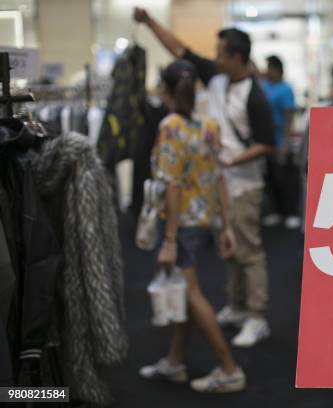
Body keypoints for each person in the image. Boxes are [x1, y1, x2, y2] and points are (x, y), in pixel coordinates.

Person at [134, 8, 275, 348]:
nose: (214, 58)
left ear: (236, 56)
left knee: (249, 250)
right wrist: (151, 23)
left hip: (244, 183)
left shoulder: (255, 96)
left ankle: (258, 316)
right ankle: (238, 306)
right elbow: (180, 50)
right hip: (220, 185)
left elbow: (270, 144)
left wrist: (230, 158)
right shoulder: (217, 78)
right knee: (231, 247)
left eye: (220, 53)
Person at [139, 59, 246, 392]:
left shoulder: (170, 126)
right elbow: (219, 178)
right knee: (185, 292)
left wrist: (169, 240)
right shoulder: (208, 125)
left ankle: (229, 369)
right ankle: (173, 362)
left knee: (192, 293)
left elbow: (171, 185)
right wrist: (226, 226)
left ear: (167, 89)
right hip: (201, 220)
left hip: (179, 224)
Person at [260, 55, 300, 229]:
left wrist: (285, 141)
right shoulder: (264, 86)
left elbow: (288, 116)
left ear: (277, 69)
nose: (268, 71)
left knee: (285, 178)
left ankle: (290, 212)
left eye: (270, 67)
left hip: (280, 140)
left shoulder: (286, 89)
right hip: (266, 141)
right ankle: (276, 211)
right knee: (270, 178)